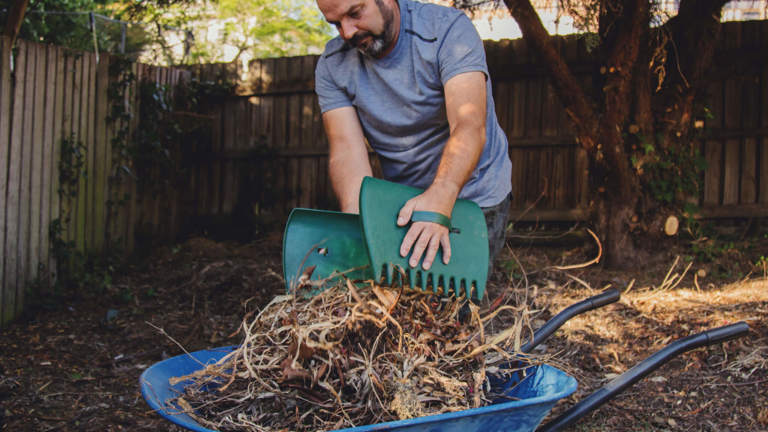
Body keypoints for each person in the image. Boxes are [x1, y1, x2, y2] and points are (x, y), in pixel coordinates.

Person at [314, 0, 512, 278]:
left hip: (474, 192)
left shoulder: (446, 31)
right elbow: (346, 150)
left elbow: (468, 125)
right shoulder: (332, 65)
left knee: (457, 305)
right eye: (335, 23)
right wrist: (357, 221)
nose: (346, 32)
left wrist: (441, 197)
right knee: (404, 303)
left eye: (355, 14)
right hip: (406, 198)